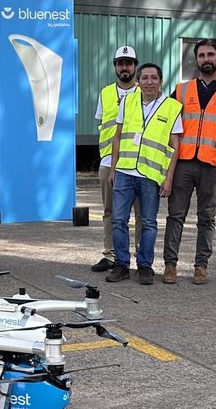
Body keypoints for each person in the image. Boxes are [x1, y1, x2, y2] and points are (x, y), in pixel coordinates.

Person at [163, 38, 216, 285]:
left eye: (210, 55)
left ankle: (201, 266)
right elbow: (170, 128)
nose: (206, 59)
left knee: (206, 219)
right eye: (201, 55)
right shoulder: (182, 90)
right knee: (176, 216)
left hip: (213, 165)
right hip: (184, 162)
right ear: (195, 59)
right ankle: (170, 265)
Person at [107, 63, 182, 285]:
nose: (149, 82)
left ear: (161, 81)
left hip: (150, 175)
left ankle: (145, 266)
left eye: (154, 78)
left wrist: (168, 177)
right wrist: (113, 168)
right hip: (124, 171)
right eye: (145, 78)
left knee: (148, 222)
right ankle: (121, 264)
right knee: (119, 220)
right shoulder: (128, 101)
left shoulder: (172, 107)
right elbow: (118, 136)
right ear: (138, 81)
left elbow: (175, 145)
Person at [92, 45, 143, 273]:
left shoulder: (145, 92)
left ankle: (142, 257)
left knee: (142, 214)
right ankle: (110, 255)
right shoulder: (105, 93)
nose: (125, 67)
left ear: (135, 66)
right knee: (110, 213)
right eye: (121, 63)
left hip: (138, 162)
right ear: (115, 66)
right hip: (108, 162)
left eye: (129, 63)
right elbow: (102, 125)